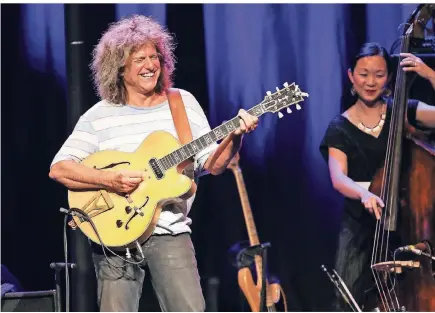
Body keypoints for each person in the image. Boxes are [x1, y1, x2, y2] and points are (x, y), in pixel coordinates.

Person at [49, 15, 259, 312]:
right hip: (115, 240)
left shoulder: (181, 103)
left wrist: (235, 137)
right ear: (119, 68)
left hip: (170, 233)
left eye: (154, 57)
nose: (150, 65)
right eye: (139, 60)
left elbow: (213, 164)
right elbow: (60, 169)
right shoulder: (99, 116)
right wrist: (111, 181)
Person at [319, 42, 435, 311]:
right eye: (364, 74)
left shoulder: (406, 111)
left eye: (379, 74)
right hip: (362, 227)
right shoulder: (339, 128)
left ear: (390, 77)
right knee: (349, 300)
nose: (371, 82)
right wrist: (365, 194)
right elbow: (338, 177)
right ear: (351, 75)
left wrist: (429, 74)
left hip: (412, 227)